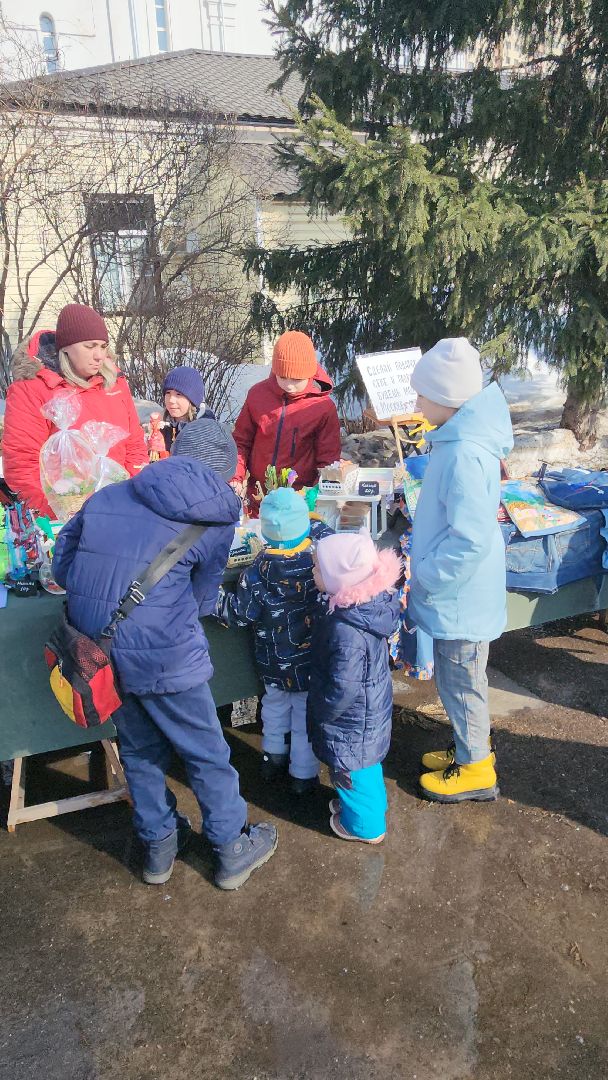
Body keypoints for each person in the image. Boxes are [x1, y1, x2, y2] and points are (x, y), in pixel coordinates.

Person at [52, 417, 277, 890]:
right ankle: (231, 847)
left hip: (98, 650)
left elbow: (63, 566)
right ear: (223, 471)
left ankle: (159, 848)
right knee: (206, 752)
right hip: (165, 654)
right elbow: (201, 600)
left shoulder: (108, 494)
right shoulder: (215, 518)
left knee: (138, 748)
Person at [408, 337, 514, 803]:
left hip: (459, 594)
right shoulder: (457, 441)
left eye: (423, 395)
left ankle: (475, 769)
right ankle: (470, 746)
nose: (417, 404)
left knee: (463, 680)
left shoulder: (465, 452)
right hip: (459, 592)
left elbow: (469, 538)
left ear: (448, 398)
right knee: (458, 679)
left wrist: (427, 575)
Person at [218, 487, 331, 793]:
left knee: (274, 707)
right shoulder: (320, 563)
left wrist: (215, 598)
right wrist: (312, 520)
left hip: (272, 661)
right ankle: (303, 775)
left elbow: (239, 614)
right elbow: (328, 535)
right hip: (309, 662)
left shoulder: (256, 571)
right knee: (305, 716)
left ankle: (273, 757)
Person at [3, 304, 148, 517]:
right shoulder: (33, 388)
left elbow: (134, 444)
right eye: (90, 346)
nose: (99, 355)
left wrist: (135, 500)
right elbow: (22, 465)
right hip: (65, 516)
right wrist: (58, 518)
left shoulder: (114, 382)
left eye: (103, 346)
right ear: (66, 348)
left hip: (121, 510)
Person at [308, 531, 401, 843]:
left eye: (318, 568)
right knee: (365, 766)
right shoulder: (365, 609)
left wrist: (323, 710)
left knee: (352, 770)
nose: (312, 572)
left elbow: (343, 687)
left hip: (351, 717)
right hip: (367, 708)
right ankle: (367, 808)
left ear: (340, 579)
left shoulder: (346, 630)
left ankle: (365, 827)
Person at [231, 330, 341, 513]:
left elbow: (328, 459)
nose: (289, 385)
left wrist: (317, 493)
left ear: (309, 374)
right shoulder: (257, 395)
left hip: (301, 498)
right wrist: (236, 476)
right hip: (258, 496)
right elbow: (240, 442)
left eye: (296, 379)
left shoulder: (322, 407)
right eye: (282, 377)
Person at [161, 365, 215, 454]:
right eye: (168, 393)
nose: (171, 400)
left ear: (192, 400)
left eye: (178, 394)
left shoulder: (205, 433)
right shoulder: (163, 427)